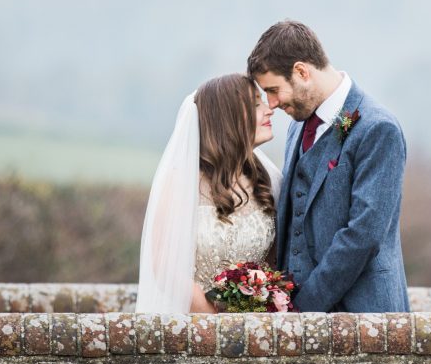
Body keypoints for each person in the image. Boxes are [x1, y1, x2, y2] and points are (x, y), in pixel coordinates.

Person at [248, 20, 409, 313]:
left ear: (301, 72)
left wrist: (305, 307)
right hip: (296, 322)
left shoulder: (378, 128)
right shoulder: (297, 128)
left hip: (365, 317)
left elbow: (363, 235)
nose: (270, 104)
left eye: (274, 90)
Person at [135, 74, 283, 313]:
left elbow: (274, 263)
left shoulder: (268, 181)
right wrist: (214, 321)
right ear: (227, 118)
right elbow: (163, 264)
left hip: (255, 328)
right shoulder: (182, 181)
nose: (269, 110)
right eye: (256, 104)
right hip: (194, 325)